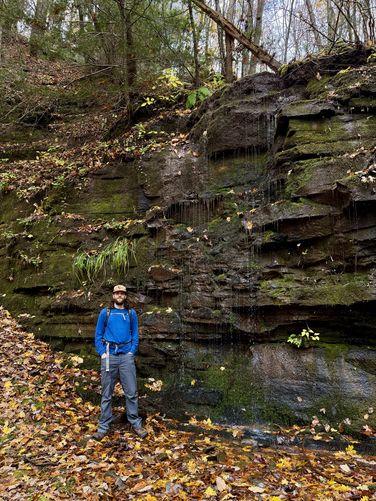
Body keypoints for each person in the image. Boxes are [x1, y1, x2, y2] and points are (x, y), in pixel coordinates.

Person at [92, 284, 147, 440]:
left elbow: (135, 334)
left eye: (122, 293)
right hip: (109, 356)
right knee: (106, 393)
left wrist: (132, 351)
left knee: (131, 392)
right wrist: (102, 353)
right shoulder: (105, 313)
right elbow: (98, 335)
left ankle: (136, 424)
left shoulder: (131, 313)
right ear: (113, 295)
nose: (120, 295)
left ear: (125, 296)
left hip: (126, 357)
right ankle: (103, 427)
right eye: (117, 293)